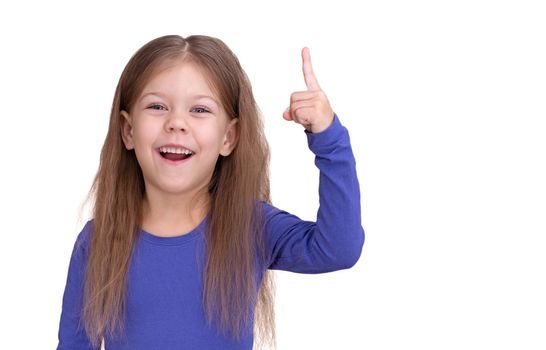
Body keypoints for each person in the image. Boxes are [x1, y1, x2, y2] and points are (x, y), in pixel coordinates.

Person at [56, 34, 365, 350]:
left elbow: (338, 248)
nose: (177, 122)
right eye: (157, 106)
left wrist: (329, 138)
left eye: (200, 110)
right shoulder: (98, 241)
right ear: (128, 130)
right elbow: (75, 344)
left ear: (229, 137)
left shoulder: (250, 225)